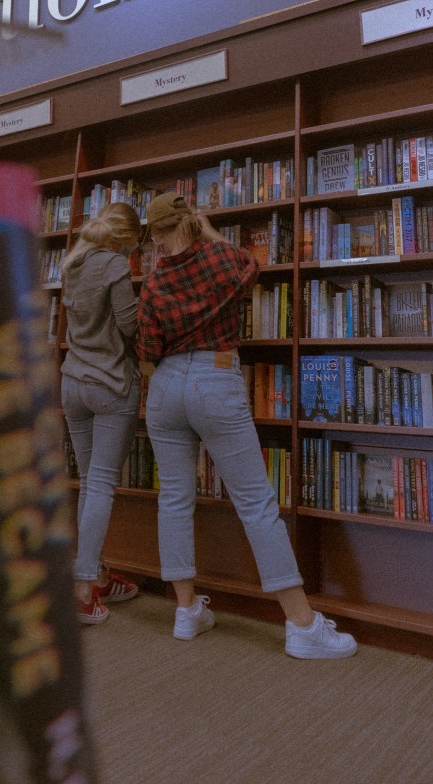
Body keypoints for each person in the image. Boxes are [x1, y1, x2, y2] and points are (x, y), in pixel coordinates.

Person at [136, 192, 357, 658]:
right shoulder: (218, 258)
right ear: (190, 221)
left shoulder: (154, 281)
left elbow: (147, 349)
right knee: (255, 502)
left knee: (173, 500)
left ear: (155, 236)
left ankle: (186, 610)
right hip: (215, 376)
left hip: (165, 387)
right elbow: (249, 268)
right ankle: (302, 624)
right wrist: (209, 229)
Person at [60, 202, 143, 624]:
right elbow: (130, 326)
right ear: (123, 238)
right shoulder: (114, 265)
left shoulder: (72, 262)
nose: (134, 253)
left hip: (72, 381)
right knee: (102, 484)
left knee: (90, 483)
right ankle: (82, 589)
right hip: (109, 383)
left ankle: (97, 575)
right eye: (135, 246)